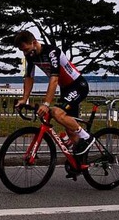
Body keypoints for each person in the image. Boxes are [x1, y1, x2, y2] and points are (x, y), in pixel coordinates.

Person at [13, 30, 94, 171]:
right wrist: (24, 99)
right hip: (66, 89)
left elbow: (54, 78)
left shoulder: (52, 52)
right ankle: (79, 163)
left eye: (25, 49)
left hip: (78, 85)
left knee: (56, 112)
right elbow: (29, 77)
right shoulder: (31, 56)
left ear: (34, 42)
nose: (24, 53)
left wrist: (45, 104)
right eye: (22, 50)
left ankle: (87, 137)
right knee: (70, 131)